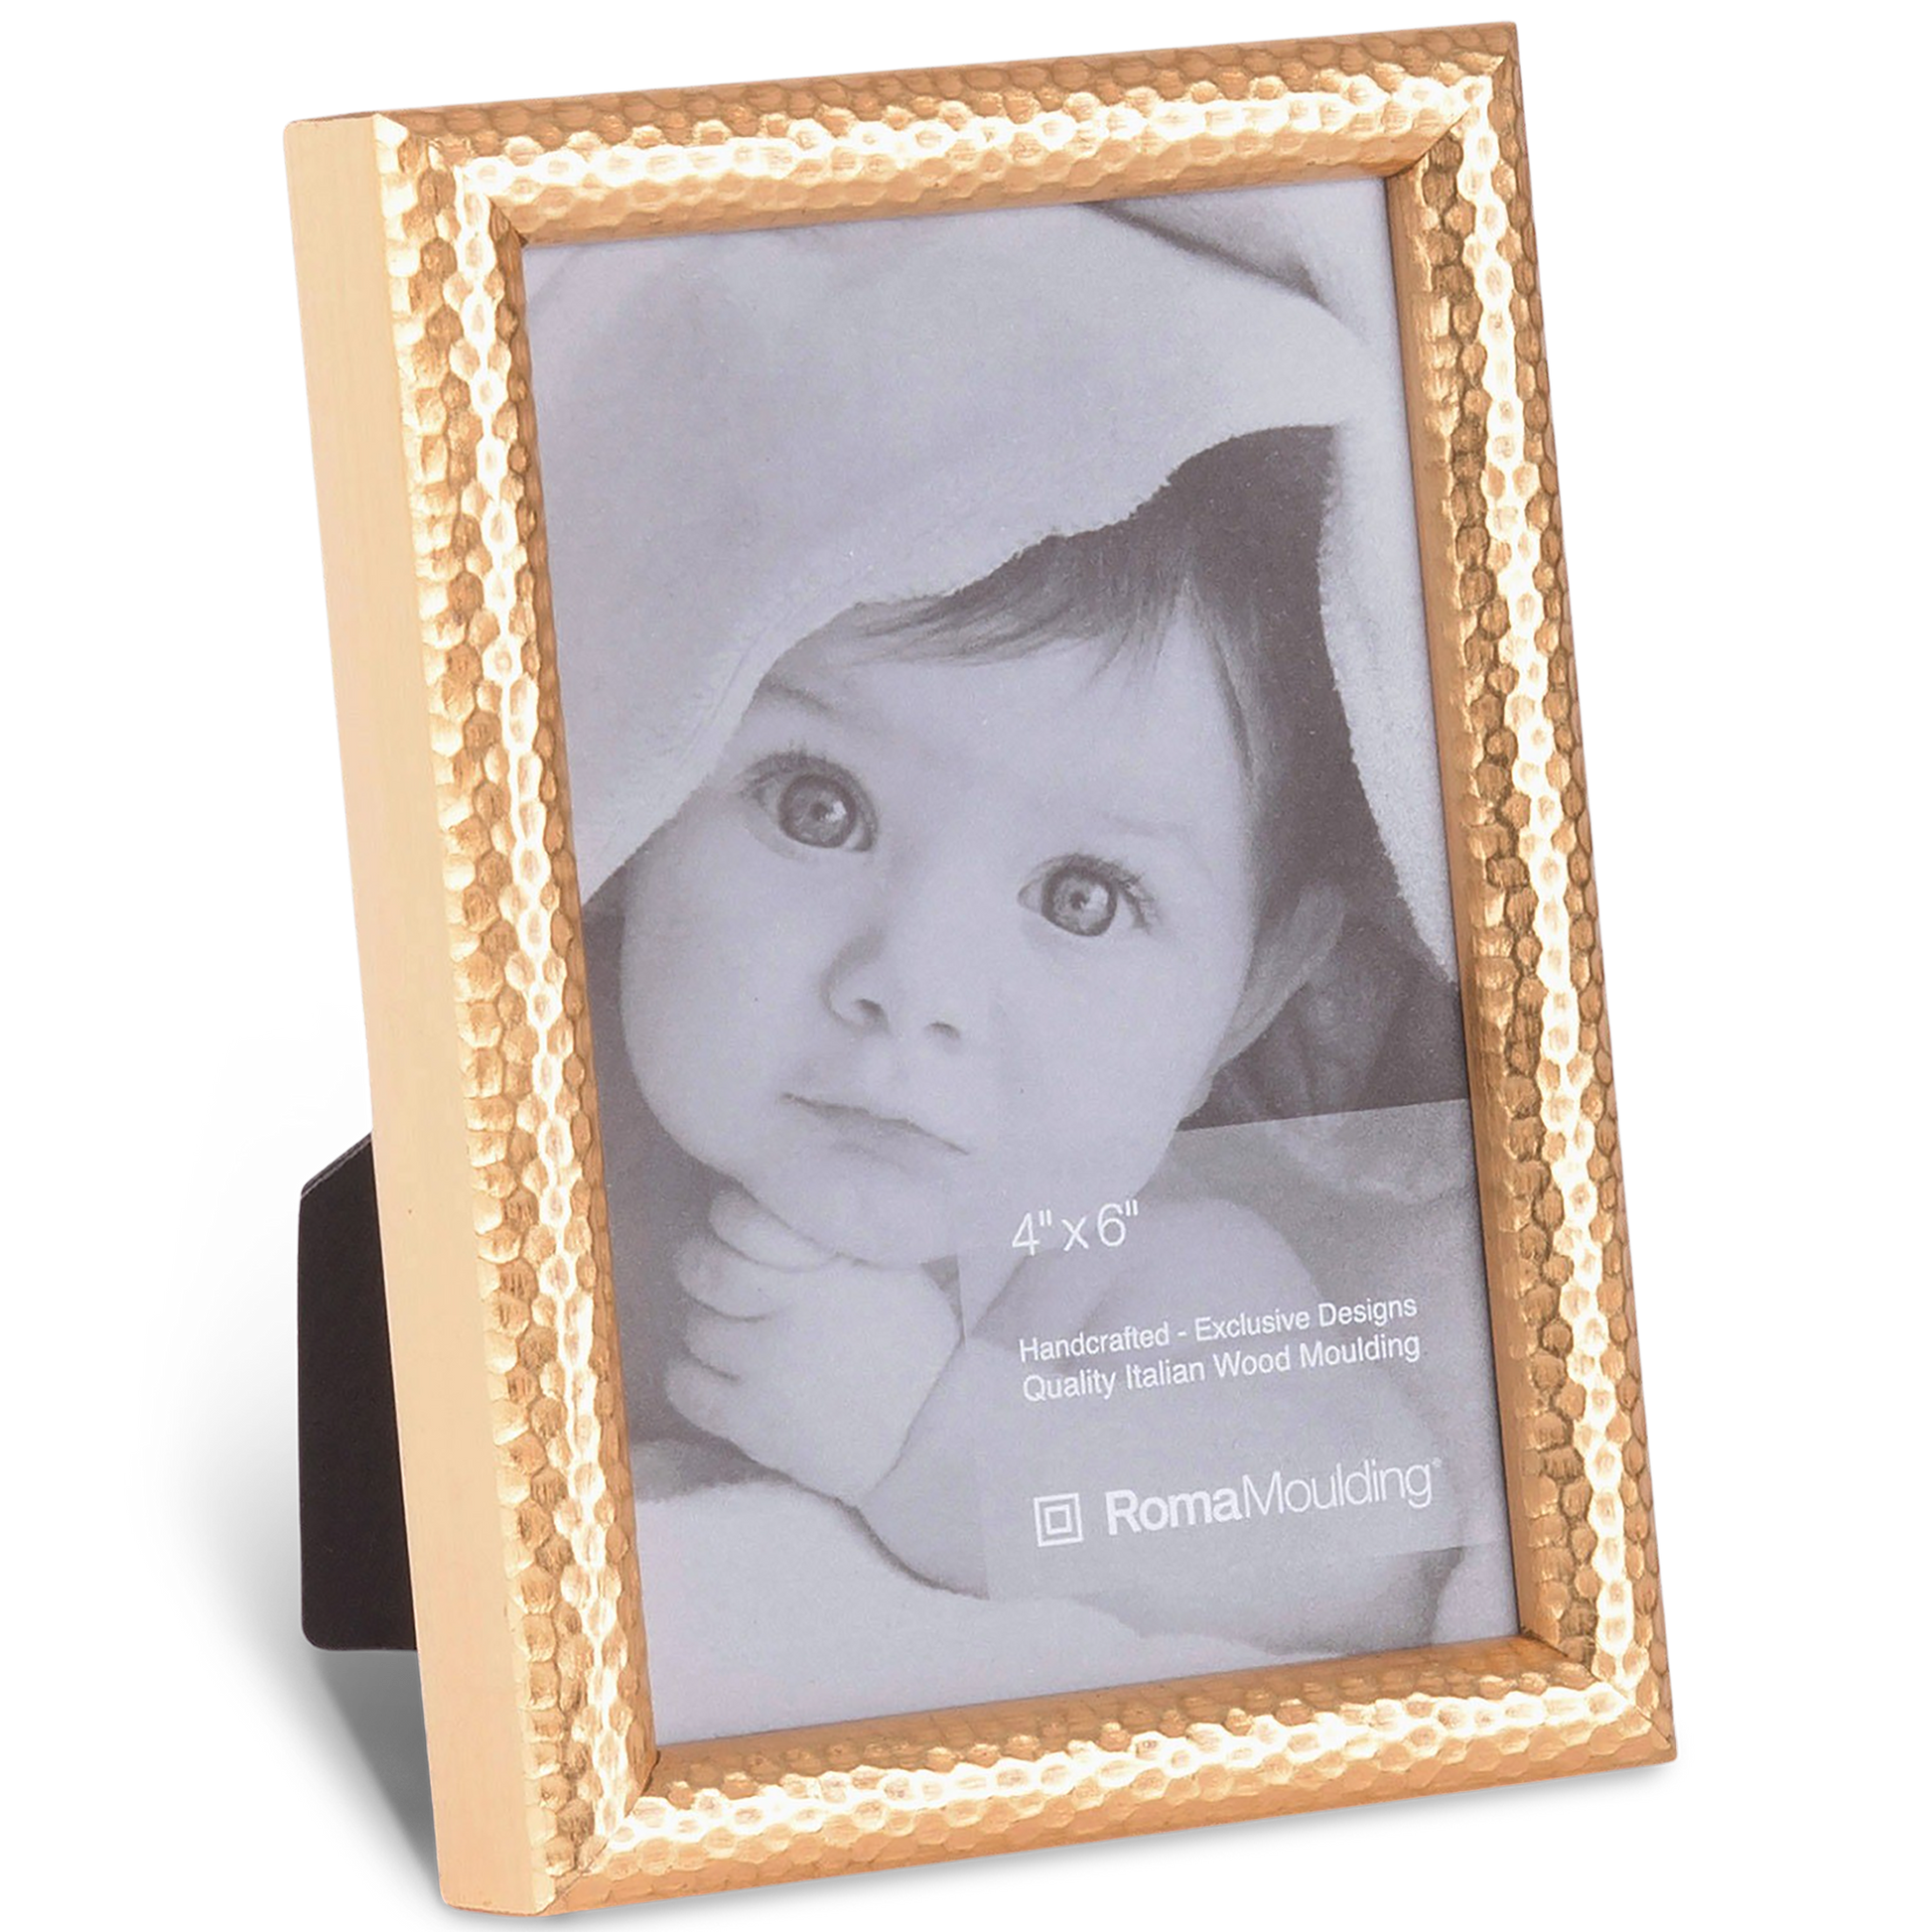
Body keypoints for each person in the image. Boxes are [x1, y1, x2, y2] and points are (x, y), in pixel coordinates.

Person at [528, 189, 1511, 1717]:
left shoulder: (1136, 1279)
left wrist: (934, 1437)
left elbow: (1370, 1542)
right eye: (817, 802)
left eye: (1079, 896)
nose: (908, 985)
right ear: (643, 797)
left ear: (1250, 987)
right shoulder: (533, 1169)